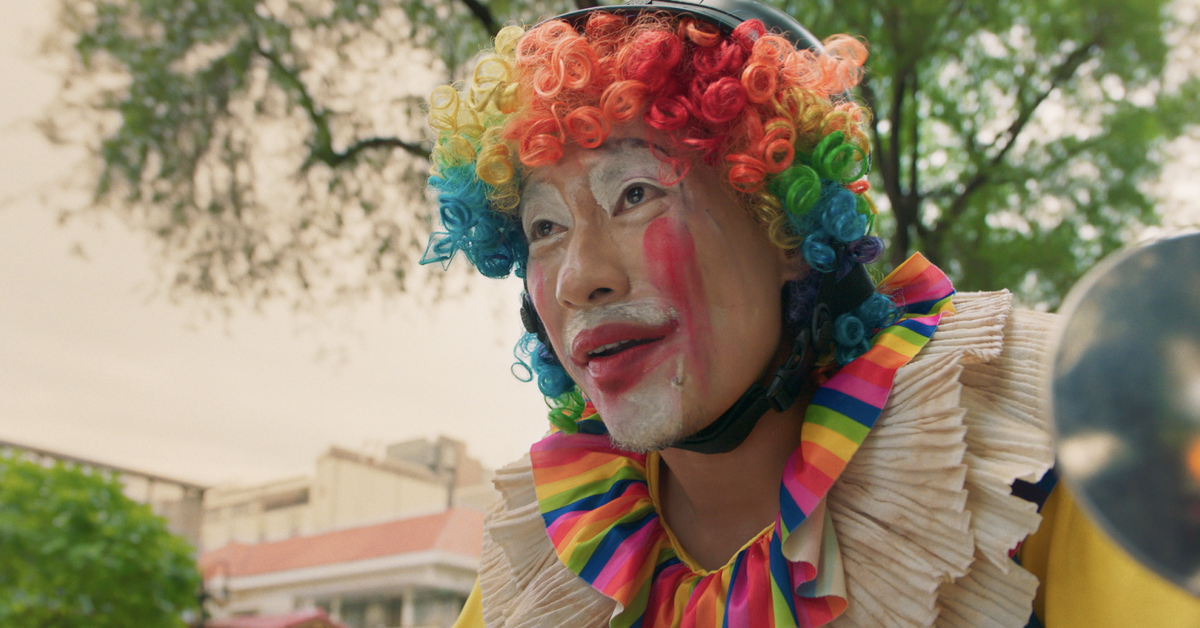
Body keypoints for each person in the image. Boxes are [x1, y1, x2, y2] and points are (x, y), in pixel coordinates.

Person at [420, 1, 1200, 625]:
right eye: (545, 229)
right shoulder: (539, 574)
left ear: (788, 229)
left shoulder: (1036, 462)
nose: (578, 278)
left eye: (635, 194)